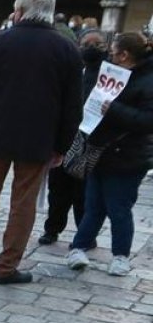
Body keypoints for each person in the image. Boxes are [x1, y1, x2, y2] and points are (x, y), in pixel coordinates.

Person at [0, 0, 83, 284]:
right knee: (23, 204)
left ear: (19, 11)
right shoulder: (67, 49)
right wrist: (61, 145)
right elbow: (72, 107)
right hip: (39, 139)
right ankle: (6, 267)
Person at [65, 33, 153, 277]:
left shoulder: (147, 80)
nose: (110, 56)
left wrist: (114, 109)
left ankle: (120, 256)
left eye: (113, 52)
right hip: (101, 151)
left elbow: (148, 120)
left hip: (128, 156)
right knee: (93, 206)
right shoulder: (111, 73)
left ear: (125, 55)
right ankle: (79, 247)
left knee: (119, 208)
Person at [40, 29, 105, 245]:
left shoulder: (109, 74)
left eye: (97, 43)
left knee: (83, 193)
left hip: (92, 139)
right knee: (57, 189)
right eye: (87, 43)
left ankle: (85, 233)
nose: (91, 47)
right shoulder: (73, 68)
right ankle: (52, 228)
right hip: (66, 135)